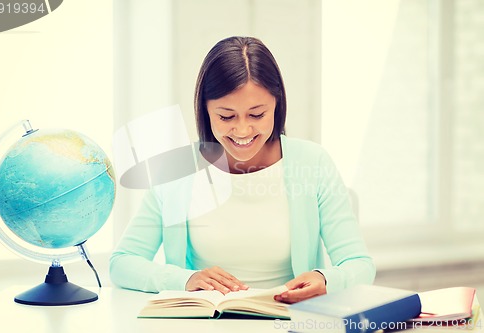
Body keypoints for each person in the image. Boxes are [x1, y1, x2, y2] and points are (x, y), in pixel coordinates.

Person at [110, 36, 375, 304]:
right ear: (205, 109)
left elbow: (359, 265)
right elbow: (122, 263)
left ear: (277, 105)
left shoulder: (312, 162)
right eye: (226, 116)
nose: (242, 131)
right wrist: (184, 280)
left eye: (257, 114)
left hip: (285, 321)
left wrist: (325, 279)